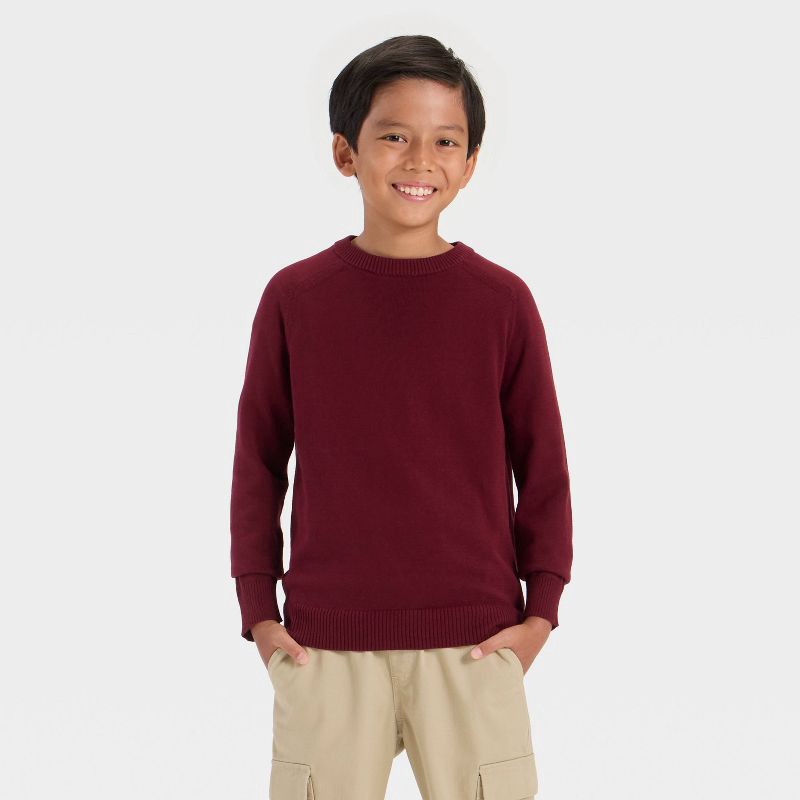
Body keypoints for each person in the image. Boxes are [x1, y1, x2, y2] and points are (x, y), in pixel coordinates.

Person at [230, 34, 573, 800]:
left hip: (475, 644)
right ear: (345, 153)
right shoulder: (296, 298)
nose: (421, 160)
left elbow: (544, 466)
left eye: (445, 141)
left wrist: (541, 614)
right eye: (394, 136)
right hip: (325, 644)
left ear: (471, 162)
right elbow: (258, 459)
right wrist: (258, 612)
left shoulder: (502, 302)